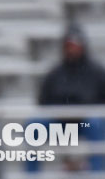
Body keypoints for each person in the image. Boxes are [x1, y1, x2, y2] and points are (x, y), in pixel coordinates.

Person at [28, 23, 105, 172]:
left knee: (95, 122)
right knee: (34, 126)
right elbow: (43, 100)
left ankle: (97, 172)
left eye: (75, 45)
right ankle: (31, 175)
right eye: (69, 45)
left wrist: (82, 105)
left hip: (85, 125)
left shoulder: (96, 72)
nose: (72, 49)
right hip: (60, 124)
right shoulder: (55, 73)